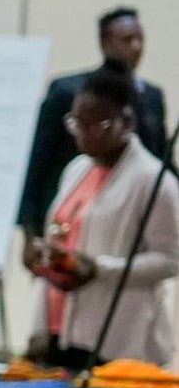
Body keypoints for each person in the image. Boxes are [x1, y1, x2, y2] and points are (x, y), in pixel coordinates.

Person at [24, 61, 179, 367]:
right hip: (60, 327)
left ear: (127, 120)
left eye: (98, 125)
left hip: (118, 338)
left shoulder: (154, 181)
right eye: (77, 123)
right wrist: (45, 256)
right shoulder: (76, 170)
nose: (84, 134)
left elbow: (171, 260)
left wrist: (99, 268)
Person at [20, 7, 169, 242]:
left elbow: (161, 156)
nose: (136, 46)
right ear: (105, 43)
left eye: (140, 38)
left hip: (132, 217)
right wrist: (30, 229)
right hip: (74, 213)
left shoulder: (151, 97)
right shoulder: (68, 92)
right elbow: (38, 161)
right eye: (127, 39)